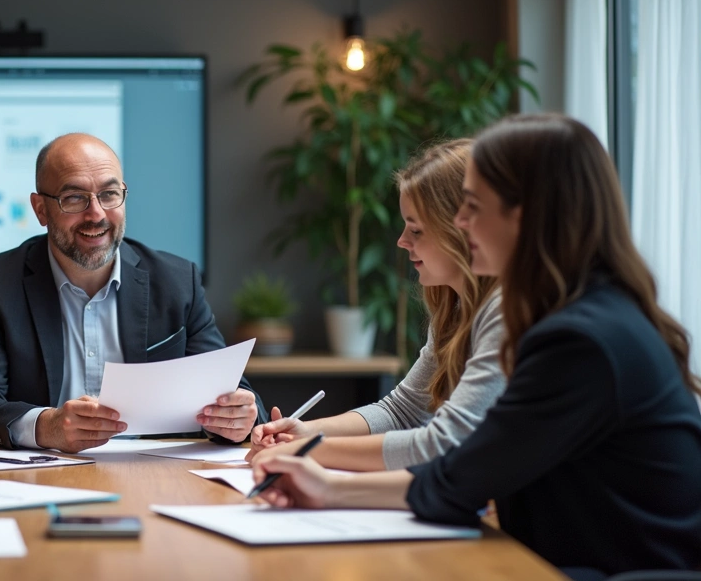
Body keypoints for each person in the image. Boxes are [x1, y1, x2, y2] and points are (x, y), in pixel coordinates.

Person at [251, 115, 701, 575]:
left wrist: (324, 474)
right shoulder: (586, 313)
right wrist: (323, 480)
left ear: (524, 215)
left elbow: (460, 468)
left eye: (472, 206)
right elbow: (466, 470)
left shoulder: (576, 339)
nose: (462, 223)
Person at [0, 133, 266, 452]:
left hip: (160, 476)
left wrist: (238, 420)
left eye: (109, 194)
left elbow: (235, 396)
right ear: (41, 209)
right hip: (43, 474)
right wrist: (45, 426)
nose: (96, 213)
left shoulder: (177, 282)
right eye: (74, 198)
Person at [247, 140, 506, 471]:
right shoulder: (454, 310)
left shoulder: (503, 311)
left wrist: (307, 453)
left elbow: (442, 443)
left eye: (415, 229)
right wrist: (306, 434)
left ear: (461, 230)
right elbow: (404, 411)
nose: (401, 241)